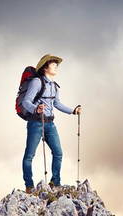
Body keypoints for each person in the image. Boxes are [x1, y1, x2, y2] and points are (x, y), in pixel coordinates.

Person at [22, 54, 82, 193]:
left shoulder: (55, 86)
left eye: (56, 64)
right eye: (53, 64)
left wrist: (73, 111)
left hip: (50, 124)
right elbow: (26, 101)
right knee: (29, 155)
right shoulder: (36, 82)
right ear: (45, 67)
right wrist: (36, 109)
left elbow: (57, 103)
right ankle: (29, 186)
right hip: (36, 123)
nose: (56, 66)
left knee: (58, 153)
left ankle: (55, 182)